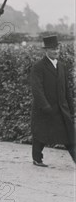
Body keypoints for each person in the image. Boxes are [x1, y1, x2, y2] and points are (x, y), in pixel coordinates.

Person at [29, 35, 75, 167]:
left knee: (69, 134)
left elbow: (67, 89)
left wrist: (71, 108)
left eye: (57, 48)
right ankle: (37, 158)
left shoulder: (62, 66)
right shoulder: (38, 67)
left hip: (61, 108)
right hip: (45, 109)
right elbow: (37, 89)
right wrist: (45, 106)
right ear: (46, 50)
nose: (56, 51)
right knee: (41, 135)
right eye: (53, 49)